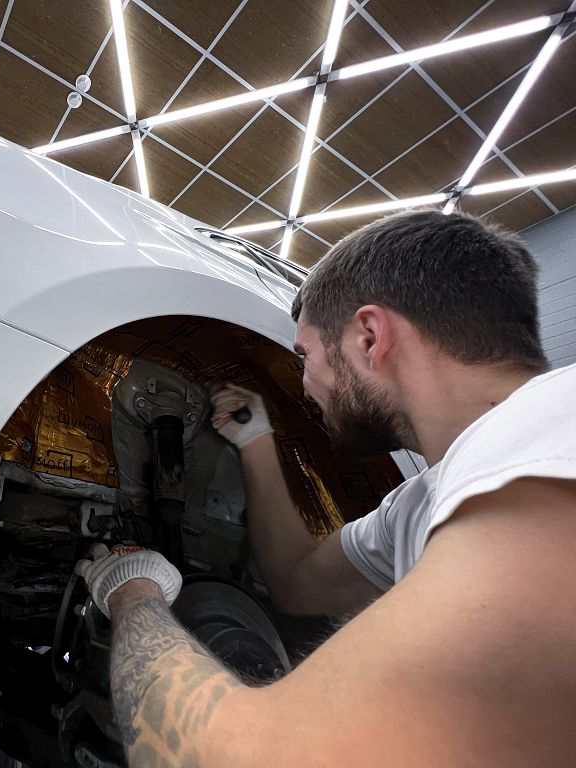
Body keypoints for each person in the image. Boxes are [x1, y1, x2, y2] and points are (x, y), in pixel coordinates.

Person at [76, 210, 576, 767]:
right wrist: (255, 441)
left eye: (304, 356)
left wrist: (132, 592)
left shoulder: (551, 441)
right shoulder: (418, 504)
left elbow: (237, 758)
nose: (303, 382)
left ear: (369, 337)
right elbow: (297, 583)